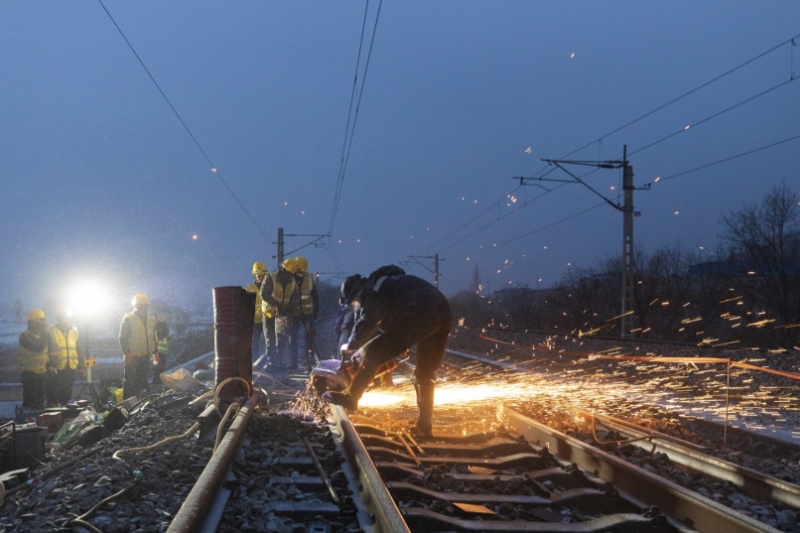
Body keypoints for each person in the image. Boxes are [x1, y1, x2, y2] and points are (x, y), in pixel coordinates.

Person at [321, 265, 452, 436]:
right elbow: (390, 322)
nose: (357, 305)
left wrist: (351, 345)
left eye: (355, 302)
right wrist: (400, 342)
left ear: (357, 291)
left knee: (371, 353)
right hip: (443, 312)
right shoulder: (389, 285)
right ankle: (424, 426)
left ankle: (351, 396)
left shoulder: (371, 290)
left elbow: (367, 322)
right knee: (425, 373)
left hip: (419, 312)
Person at [259, 258, 301, 372]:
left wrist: (289, 308)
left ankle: (279, 363)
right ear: (285, 270)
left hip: (282, 315)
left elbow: (295, 297)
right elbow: (263, 293)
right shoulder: (270, 278)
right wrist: (276, 304)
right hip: (269, 314)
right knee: (270, 339)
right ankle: (273, 363)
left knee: (281, 339)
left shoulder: (292, 282)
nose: (290, 276)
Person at [118, 293, 158, 399]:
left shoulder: (151, 319)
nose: (143, 307)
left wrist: (155, 352)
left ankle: (141, 407)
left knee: (142, 384)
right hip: (132, 358)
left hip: (145, 357)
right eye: (141, 305)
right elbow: (122, 338)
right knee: (130, 384)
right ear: (135, 305)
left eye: (145, 305)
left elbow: (153, 337)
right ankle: (128, 408)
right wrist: (127, 354)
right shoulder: (128, 318)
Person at [47, 305, 84, 406]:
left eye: (68, 317)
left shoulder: (74, 331)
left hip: (70, 368)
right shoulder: (51, 331)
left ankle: (63, 412)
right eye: (64, 317)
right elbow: (47, 349)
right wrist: (49, 364)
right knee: (55, 395)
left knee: (67, 393)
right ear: (59, 317)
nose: (66, 319)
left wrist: (81, 366)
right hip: (56, 369)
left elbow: (79, 349)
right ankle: (54, 414)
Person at [18, 309, 50, 410]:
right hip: (29, 374)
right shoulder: (24, 336)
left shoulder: (41, 337)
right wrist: (45, 334)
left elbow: (46, 354)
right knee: (31, 402)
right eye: (39, 323)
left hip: (41, 373)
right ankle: (28, 421)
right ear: (31, 323)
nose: (41, 326)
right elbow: (38, 348)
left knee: (40, 403)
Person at [292, 256, 319, 368]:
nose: (301, 273)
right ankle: (293, 361)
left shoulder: (309, 278)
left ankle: (309, 355)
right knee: (292, 336)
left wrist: (316, 310)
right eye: (299, 271)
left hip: (307, 312)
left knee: (310, 332)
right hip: (294, 314)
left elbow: (315, 295)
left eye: (303, 271)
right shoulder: (289, 279)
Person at [245, 261, 269, 365]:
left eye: (261, 275)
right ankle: (256, 361)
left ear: (265, 274)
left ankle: (269, 360)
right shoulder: (249, 288)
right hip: (255, 320)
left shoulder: (269, 286)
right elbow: (245, 304)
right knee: (254, 342)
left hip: (267, 318)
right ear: (254, 275)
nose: (259, 277)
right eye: (257, 275)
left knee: (269, 341)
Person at [152, 317, 170, 383]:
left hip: (159, 351)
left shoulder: (158, 329)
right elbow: (164, 339)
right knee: (159, 367)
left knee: (158, 367)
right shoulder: (161, 330)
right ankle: (157, 381)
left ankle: (157, 381)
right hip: (159, 351)